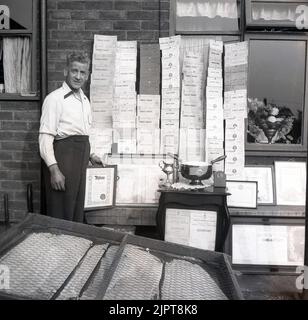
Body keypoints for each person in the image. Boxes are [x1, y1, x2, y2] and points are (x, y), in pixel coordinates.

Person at [39, 51, 102, 222]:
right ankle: (58, 248)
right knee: (60, 211)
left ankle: (73, 248)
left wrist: (92, 155)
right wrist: (54, 170)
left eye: (83, 72)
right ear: (66, 71)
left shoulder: (85, 101)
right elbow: (45, 138)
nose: (78, 76)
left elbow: (83, 132)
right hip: (63, 161)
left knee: (76, 211)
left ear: (87, 75)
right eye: (75, 71)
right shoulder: (54, 99)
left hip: (80, 162)